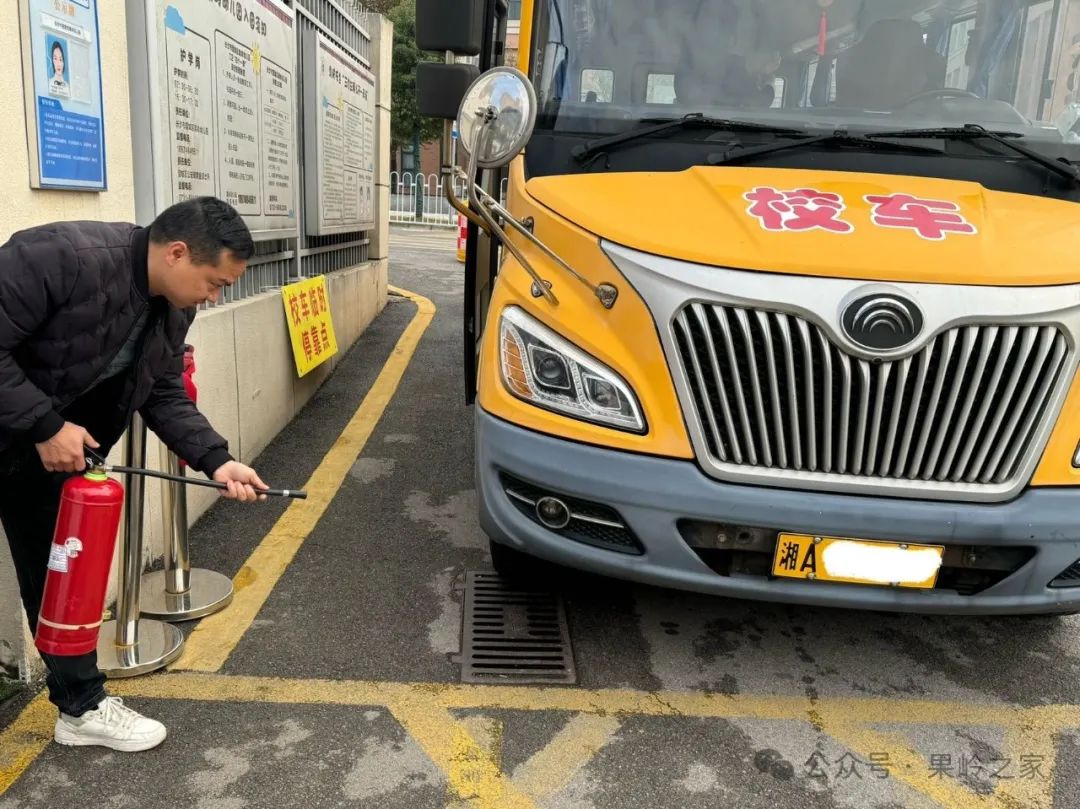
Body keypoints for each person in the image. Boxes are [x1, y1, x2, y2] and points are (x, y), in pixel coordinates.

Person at [0, 196, 269, 752]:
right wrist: (46, 425)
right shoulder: (59, 256)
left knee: (61, 579)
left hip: (50, 457)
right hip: (35, 434)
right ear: (176, 253)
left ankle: (80, 709)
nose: (215, 295)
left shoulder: (174, 304)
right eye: (215, 281)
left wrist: (218, 461)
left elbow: (163, 391)